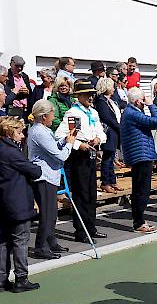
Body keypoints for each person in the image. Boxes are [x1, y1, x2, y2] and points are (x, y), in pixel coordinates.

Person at [54, 80, 107, 243]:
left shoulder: (93, 112)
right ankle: (81, 231)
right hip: (79, 156)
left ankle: (91, 227)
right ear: (79, 96)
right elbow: (60, 134)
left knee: (91, 193)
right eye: (88, 95)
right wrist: (78, 144)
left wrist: (99, 138)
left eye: (92, 95)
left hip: (91, 153)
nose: (91, 98)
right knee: (81, 193)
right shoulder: (73, 113)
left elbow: (100, 131)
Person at [27, 100, 75, 260]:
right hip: (43, 177)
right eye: (52, 113)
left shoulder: (43, 130)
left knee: (52, 213)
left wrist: (63, 141)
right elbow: (60, 155)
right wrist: (69, 144)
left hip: (49, 176)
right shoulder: (39, 132)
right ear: (44, 116)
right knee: (47, 214)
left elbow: (53, 146)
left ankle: (51, 241)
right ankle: (41, 246)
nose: (53, 117)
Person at [0, 116, 42, 292]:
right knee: (20, 241)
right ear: (10, 132)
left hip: (3, 202)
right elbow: (34, 170)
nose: (22, 135)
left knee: (2, 242)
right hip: (17, 203)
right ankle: (21, 279)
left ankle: (1, 279)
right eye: (19, 132)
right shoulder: (10, 152)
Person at [120, 87, 157, 233]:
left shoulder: (132, 112)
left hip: (142, 153)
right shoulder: (132, 113)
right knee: (141, 190)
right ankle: (138, 222)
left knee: (142, 189)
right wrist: (151, 105)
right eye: (144, 99)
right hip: (140, 155)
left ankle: (140, 220)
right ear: (139, 101)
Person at [94, 77, 122, 193]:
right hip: (109, 132)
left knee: (111, 158)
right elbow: (107, 118)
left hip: (114, 132)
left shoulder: (110, 100)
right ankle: (105, 182)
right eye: (112, 86)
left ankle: (112, 181)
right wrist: (119, 127)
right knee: (107, 159)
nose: (114, 88)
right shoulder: (101, 101)